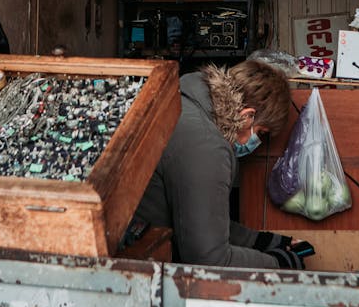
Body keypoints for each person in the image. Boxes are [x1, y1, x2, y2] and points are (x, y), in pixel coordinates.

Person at [131, 59, 309, 269]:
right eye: (261, 133)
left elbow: (200, 217)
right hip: (136, 261)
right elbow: (209, 258)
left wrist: (266, 242)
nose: (257, 144)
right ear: (247, 117)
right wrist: (279, 265)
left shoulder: (184, 100)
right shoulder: (208, 147)